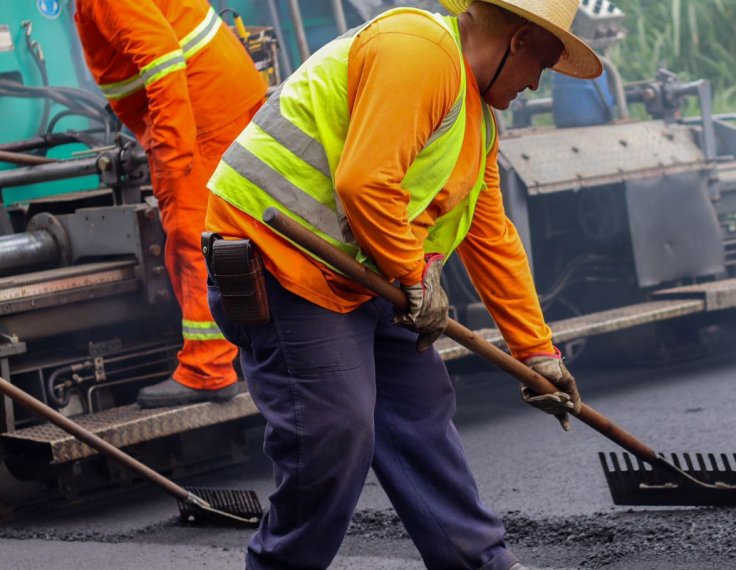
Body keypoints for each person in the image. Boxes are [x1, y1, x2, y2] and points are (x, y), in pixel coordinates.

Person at [203, 0, 601, 568]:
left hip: (366, 276)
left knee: (420, 413)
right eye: (540, 63)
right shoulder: (419, 50)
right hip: (284, 263)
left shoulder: (477, 122)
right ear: (515, 42)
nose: (536, 84)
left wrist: (537, 353)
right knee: (334, 432)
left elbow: (490, 236)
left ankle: (479, 562)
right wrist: (415, 276)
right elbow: (364, 183)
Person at [74, 0, 266, 407]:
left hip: (200, 114)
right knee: (243, 229)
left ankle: (208, 368)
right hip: (217, 97)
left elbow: (161, 59)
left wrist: (172, 153)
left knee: (193, 239)